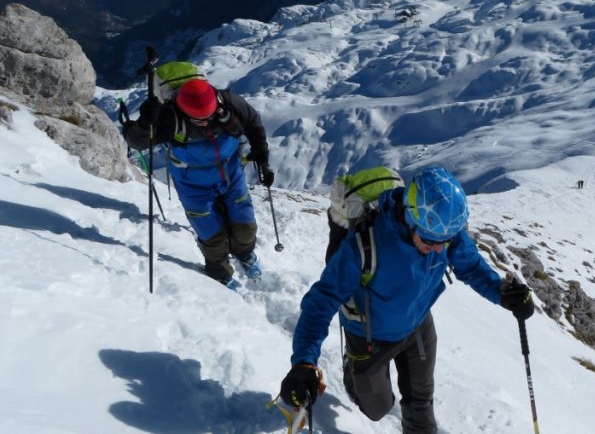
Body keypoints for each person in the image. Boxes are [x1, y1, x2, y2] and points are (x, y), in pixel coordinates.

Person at [279, 167, 535, 434]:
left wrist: (502, 294)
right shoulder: (365, 244)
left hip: (418, 325)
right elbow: (323, 299)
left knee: (420, 408)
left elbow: (470, 266)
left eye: (444, 242)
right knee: (377, 409)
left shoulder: (443, 230)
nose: (438, 248)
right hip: (368, 335)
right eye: (428, 240)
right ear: (410, 217)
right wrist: (304, 362)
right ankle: (350, 369)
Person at [123, 78, 274, 289]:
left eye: (209, 117)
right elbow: (136, 142)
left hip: (231, 173)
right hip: (193, 184)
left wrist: (262, 157)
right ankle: (219, 273)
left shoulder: (228, 101)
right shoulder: (169, 117)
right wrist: (143, 123)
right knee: (210, 232)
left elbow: (252, 123)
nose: (204, 123)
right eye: (198, 120)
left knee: (245, 223)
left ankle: (245, 254)